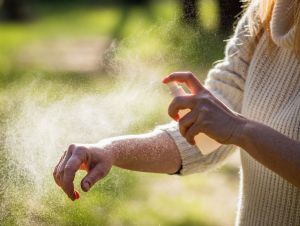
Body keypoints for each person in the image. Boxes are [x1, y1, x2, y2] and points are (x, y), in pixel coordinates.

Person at [53, 0, 300, 225]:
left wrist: (242, 130)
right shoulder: (265, 12)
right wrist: (111, 150)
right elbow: (206, 137)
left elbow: (230, 126)